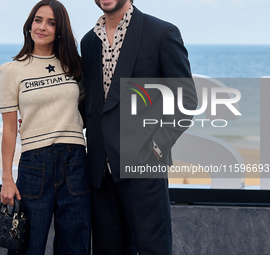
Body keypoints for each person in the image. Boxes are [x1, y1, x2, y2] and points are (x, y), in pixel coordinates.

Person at [79, 0, 198, 254]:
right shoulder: (89, 42)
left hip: (144, 167)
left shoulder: (161, 33)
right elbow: (89, 104)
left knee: (153, 249)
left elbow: (186, 100)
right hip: (101, 172)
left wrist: (156, 147)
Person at [0, 1, 91, 254]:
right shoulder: (11, 71)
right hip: (34, 165)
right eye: (38, 20)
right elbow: (9, 128)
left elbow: (88, 109)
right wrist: (7, 177)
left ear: (60, 30)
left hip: (75, 163)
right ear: (29, 25)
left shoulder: (75, 66)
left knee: (76, 246)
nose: (42, 27)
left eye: (51, 22)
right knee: (27, 247)